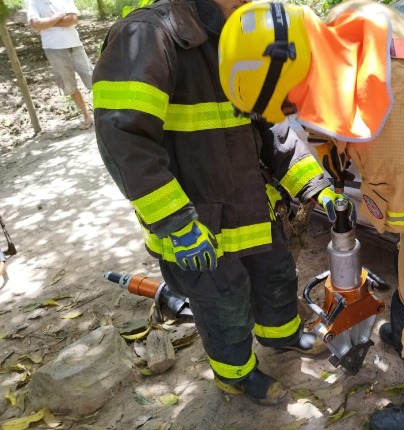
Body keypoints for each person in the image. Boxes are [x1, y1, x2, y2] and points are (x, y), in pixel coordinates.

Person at [218, 0, 404, 430]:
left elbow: (398, 219)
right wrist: (334, 162)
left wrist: (363, 197)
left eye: (288, 110)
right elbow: (332, 113)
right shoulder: (350, 23)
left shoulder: (403, 138)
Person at [93, 0, 351, 406]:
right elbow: (124, 141)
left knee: (277, 275)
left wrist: (315, 185)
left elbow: (272, 125)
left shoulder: (243, 35)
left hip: (252, 208)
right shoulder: (148, 36)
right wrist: (174, 222)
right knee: (223, 306)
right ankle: (237, 374)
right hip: (198, 228)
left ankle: (280, 335)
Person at [25, 0, 94, 129]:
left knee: (93, 78)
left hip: (75, 45)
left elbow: (72, 19)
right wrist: (58, 16)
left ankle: (106, 110)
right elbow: (37, 25)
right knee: (69, 86)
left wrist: (48, 22)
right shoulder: (31, 1)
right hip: (53, 48)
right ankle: (86, 116)